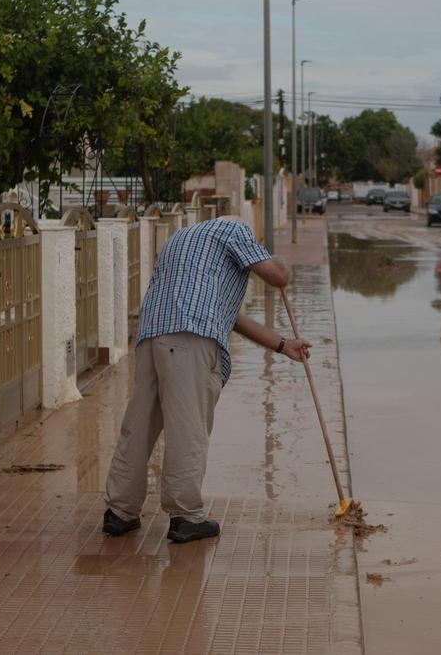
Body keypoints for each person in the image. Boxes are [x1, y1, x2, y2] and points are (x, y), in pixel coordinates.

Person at [102, 215, 311, 543]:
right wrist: (276, 260)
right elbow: (278, 277)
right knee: (188, 428)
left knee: (139, 425)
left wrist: (283, 345)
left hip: (153, 335)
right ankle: (186, 516)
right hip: (189, 338)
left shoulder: (183, 237)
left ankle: (119, 511)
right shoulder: (234, 229)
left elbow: (231, 316)